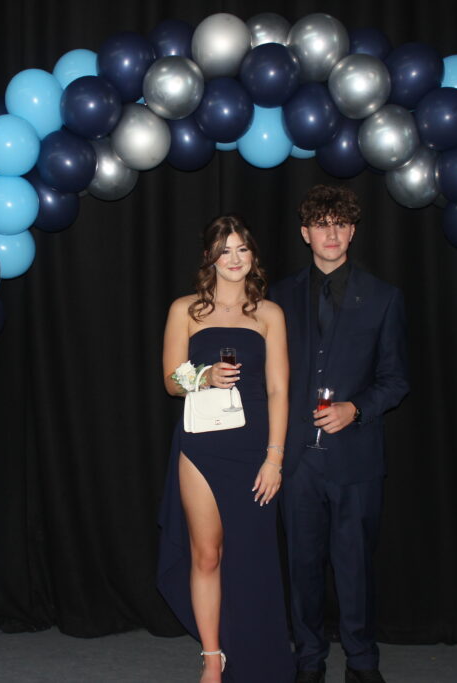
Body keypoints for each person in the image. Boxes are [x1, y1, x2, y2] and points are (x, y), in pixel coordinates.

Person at [270, 186, 409, 683]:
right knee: (301, 568)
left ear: (352, 231)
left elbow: (396, 379)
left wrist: (357, 408)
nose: (331, 234)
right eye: (321, 225)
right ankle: (308, 660)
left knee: (355, 568)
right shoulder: (277, 297)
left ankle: (362, 662)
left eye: (340, 224)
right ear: (305, 233)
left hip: (356, 458)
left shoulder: (384, 297)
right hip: (296, 461)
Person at [158, 215, 295, 683]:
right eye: (224, 250)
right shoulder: (186, 309)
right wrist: (204, 376)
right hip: (200, 445)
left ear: (252, 255)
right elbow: (171, 380)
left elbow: (279, 391)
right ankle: (212, 658)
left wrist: (275, 457)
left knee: (253, 558)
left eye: (242, 249)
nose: (234, 259)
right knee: (206, 554)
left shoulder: (269, 314)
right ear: (209, 258)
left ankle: (258, 656)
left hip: (254, 447)